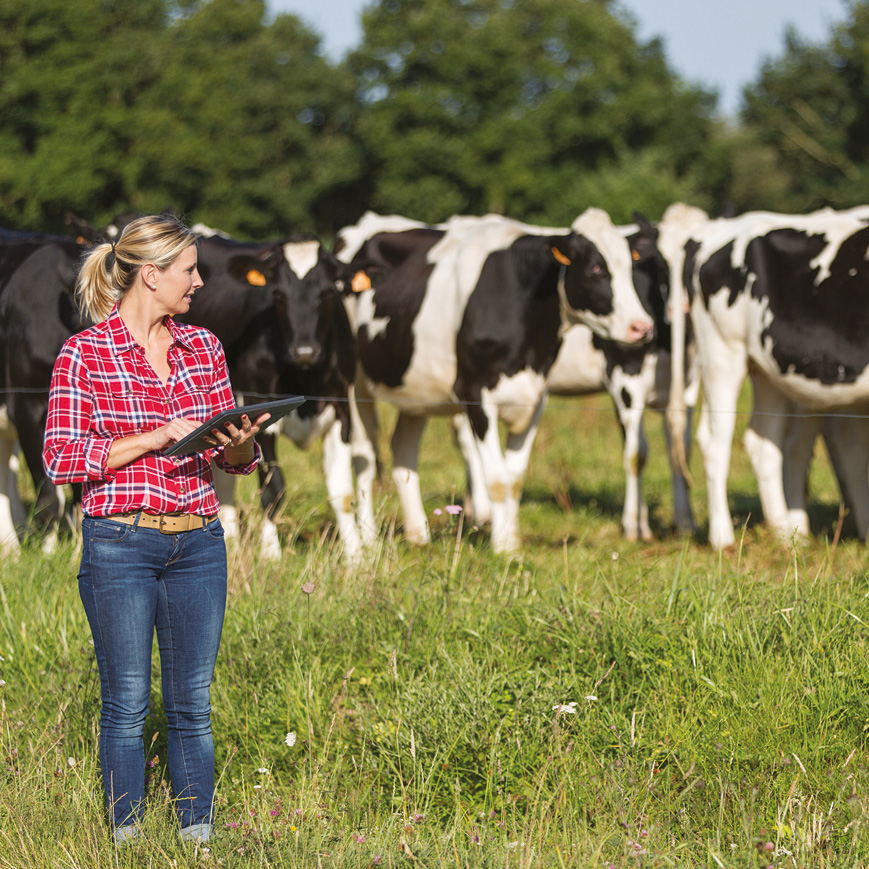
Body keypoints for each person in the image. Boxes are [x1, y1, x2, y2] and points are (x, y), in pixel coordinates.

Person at [43, 215, 270, 846]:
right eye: (189, 270)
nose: (199, 282)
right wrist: (151, 438)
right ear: (152, 274)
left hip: (199, 539)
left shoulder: (205, 348)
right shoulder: (84, 354)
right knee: (127, 704)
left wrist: (240, 446)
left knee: (191, 704)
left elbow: (234, 465)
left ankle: (198, 838)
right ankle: (127, 841)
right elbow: (62, 457)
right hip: (121, 542)